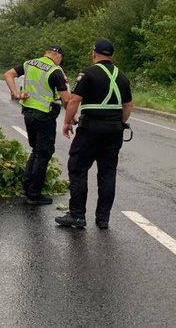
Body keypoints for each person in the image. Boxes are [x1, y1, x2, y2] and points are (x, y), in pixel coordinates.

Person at [55, 39, 133, 229]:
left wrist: (66, 122)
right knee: (107, 173)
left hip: (91, 129)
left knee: (78, 168)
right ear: (112, 56)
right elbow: (128, 105)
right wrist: (118, 123)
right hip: (114, 131)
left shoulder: (88, 73)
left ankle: (77, 216)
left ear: (94, 53)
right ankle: (103, 218)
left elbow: (74, 100)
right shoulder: (122, 77)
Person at [4, 45, 70, 205]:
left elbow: (8, 74)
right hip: (44, 116)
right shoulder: (55, 70)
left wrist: (15, 93)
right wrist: (71, 117)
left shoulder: (30, 63)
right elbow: (66, 100)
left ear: (46, 53)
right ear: (59, 57)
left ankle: (27, 187)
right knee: (44, 153)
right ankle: (34, 194)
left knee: (36, 151)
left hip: (28, 113)